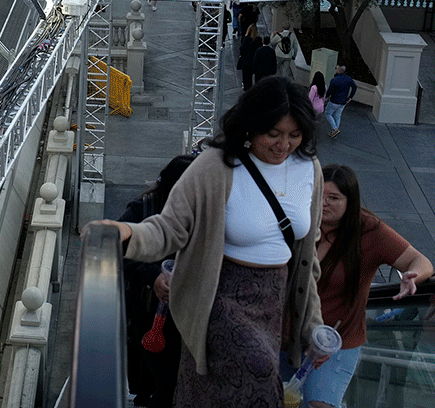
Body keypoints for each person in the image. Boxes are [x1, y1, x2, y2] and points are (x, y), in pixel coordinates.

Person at [89, 77, 325, 407]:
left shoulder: (309, 169)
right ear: (249, 127)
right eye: (272, 134)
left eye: (294, 135)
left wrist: (312, 323)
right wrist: (128, 233)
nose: (283, 145)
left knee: (222, 389)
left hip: (274, 301)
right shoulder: (215, 166)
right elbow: (169, 228)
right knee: (257, 371)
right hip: (218, 294)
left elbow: (307, 256)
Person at [305, 164, 433, 408]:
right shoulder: (302, 220)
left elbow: (420, 261)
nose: (323, 204)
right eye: (319, 195)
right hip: (291, 335)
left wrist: (412, 278)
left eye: (333, 198)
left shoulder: (369, 231)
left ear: (350, 201)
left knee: (319, 404)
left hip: (337, 341)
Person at [121, 155, 195, 408]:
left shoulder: (205, 214)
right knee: (159, 375)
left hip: (190, 311)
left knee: (176, 379)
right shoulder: (144, 209)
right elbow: (116, 251)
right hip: (150, 310)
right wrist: (153, 276)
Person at [323, 65, 356, 138]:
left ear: (338, 70)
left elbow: (330, 92)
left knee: (328, 113)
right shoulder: (348, 79)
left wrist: (325, 97)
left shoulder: (334, 80)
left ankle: (335, 129)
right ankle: (334, 133)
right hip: (343, 101)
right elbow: (354, 87)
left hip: (334, 101)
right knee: (337, 116)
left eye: (336, 68)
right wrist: (350, 97)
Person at [238, 25, 260, 91]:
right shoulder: (258, 40)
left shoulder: (247, 38)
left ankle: (247, 89)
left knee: (246, 77)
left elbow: (242, 49)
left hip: (246, 60)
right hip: (254, 60)